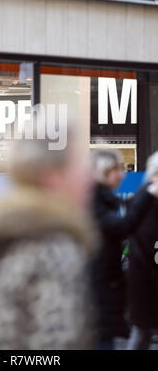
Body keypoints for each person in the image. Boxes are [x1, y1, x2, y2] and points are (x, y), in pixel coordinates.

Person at [0, 127, 98, 350]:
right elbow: (55, 342)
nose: (90, 179)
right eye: (81, 168)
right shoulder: (53, 248)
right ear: (52, 178)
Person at [90, 149, 158, 350]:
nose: (122, 175)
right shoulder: (94, 201)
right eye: (116, 170)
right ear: (103, 172)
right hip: (99, 287)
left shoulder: (106, 198)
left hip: (108, 286)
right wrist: (148, 193)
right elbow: (123, 226)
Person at [127, 151, 158, 350]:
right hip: (146, 277)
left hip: (146, 276)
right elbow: (146, 236)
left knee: (142, 334)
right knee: (141, 333)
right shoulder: (146, 197)